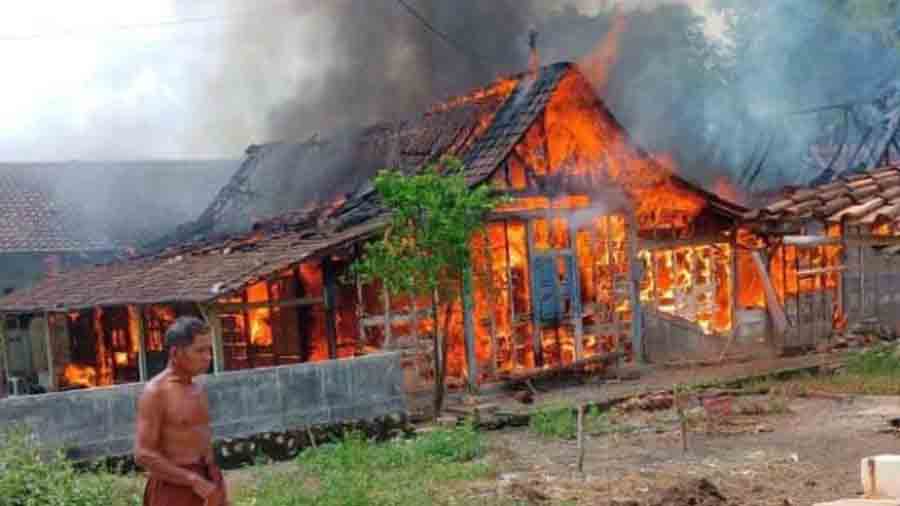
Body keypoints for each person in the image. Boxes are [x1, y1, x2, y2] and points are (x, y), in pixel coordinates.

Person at [134, 317, 227, 506]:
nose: (208, 357)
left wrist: (215, 484)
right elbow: (143, 454)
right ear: (175, 353)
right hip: (174, 489)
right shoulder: (156, 392)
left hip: (207, 480)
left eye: (209, 350)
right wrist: (192, 480)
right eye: (199, 350)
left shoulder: (197, 388)